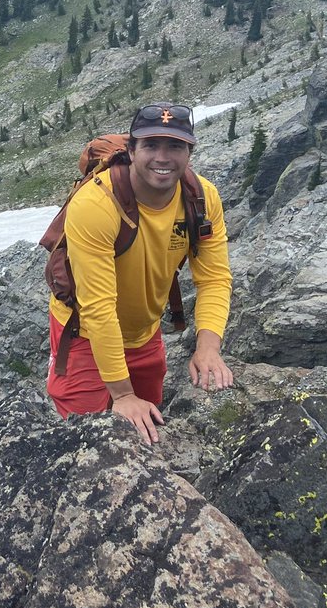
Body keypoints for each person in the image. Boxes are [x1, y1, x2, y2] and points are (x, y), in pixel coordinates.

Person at [46, 102, 234, 444]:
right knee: (82, 440)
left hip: (146, 332)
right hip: (84, 333)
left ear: (189, 152)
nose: (163, 157)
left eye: (175, 146)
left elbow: (215, 279)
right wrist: (122, 395)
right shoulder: (95, 205)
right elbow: (98, 307)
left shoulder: (202, 199)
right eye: (150, 145)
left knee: (150, 432)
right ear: (131, 150)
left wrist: (208, 347)